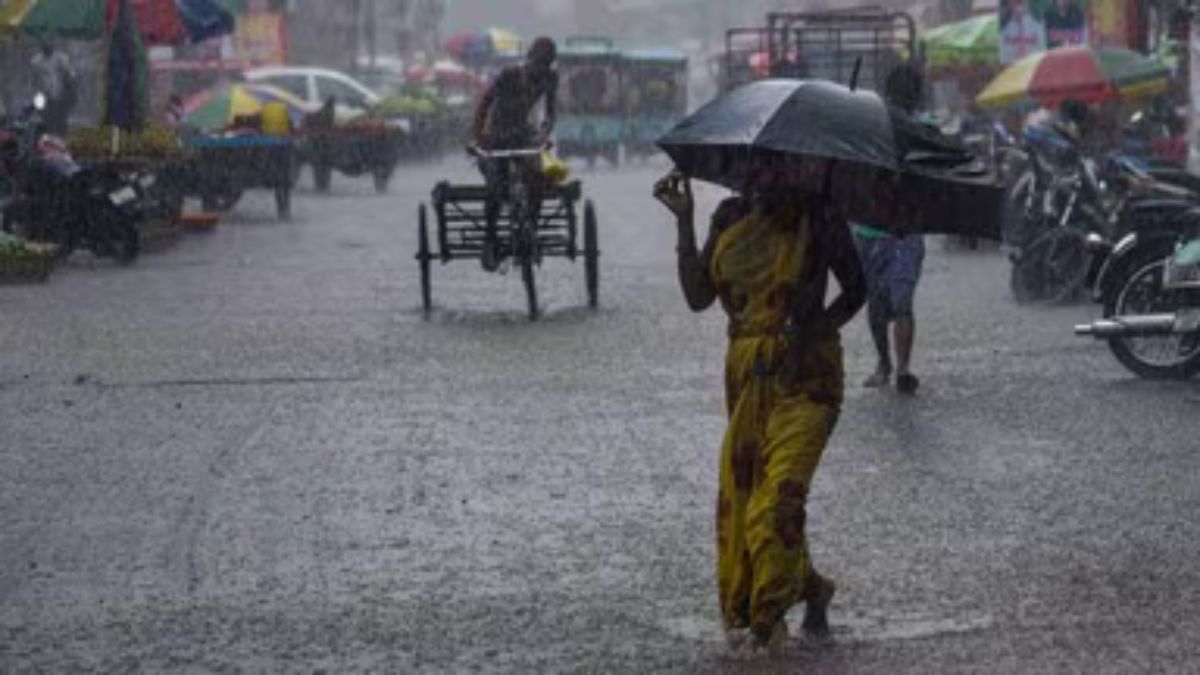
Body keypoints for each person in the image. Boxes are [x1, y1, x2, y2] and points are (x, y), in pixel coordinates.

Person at [654, 155, 866, 654]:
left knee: (777, 501)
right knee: (753, 495)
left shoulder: (820, 215)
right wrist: (684, 220)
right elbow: (697, 295)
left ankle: (766, 621)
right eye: (757, 170)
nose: (765, 180)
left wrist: (815, 328)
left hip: (808, 378)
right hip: (748, 377)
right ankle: (812, 588)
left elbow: (856, 288)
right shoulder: (728, 217)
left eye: (777, 169)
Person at [472, 37, 559, 272]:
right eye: (537, 64)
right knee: (495, 185)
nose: (540, 70)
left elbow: (550, 114)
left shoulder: (551, 79)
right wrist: (479, 137)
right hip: (496, 135)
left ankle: (532, 228)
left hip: (524, 136)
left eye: (545, 65)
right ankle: (490, 239)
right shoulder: (509, 74)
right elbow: (485, 103)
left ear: (550, 64)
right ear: (530, 59)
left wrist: (544, 133)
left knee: (537, 178)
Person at [29, 39, 75, 136]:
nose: (47, 45)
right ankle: (46, 138)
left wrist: (69, 89)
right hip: (42, 96)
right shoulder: (36, 61)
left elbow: (70, 75)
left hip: (59, 95)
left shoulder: (61, 59)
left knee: (59, 120)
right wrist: (34, 96)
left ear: (53, 44)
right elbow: (32, 80)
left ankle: (59, 138)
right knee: (44, 119)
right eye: (44, 42)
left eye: (49, 42)